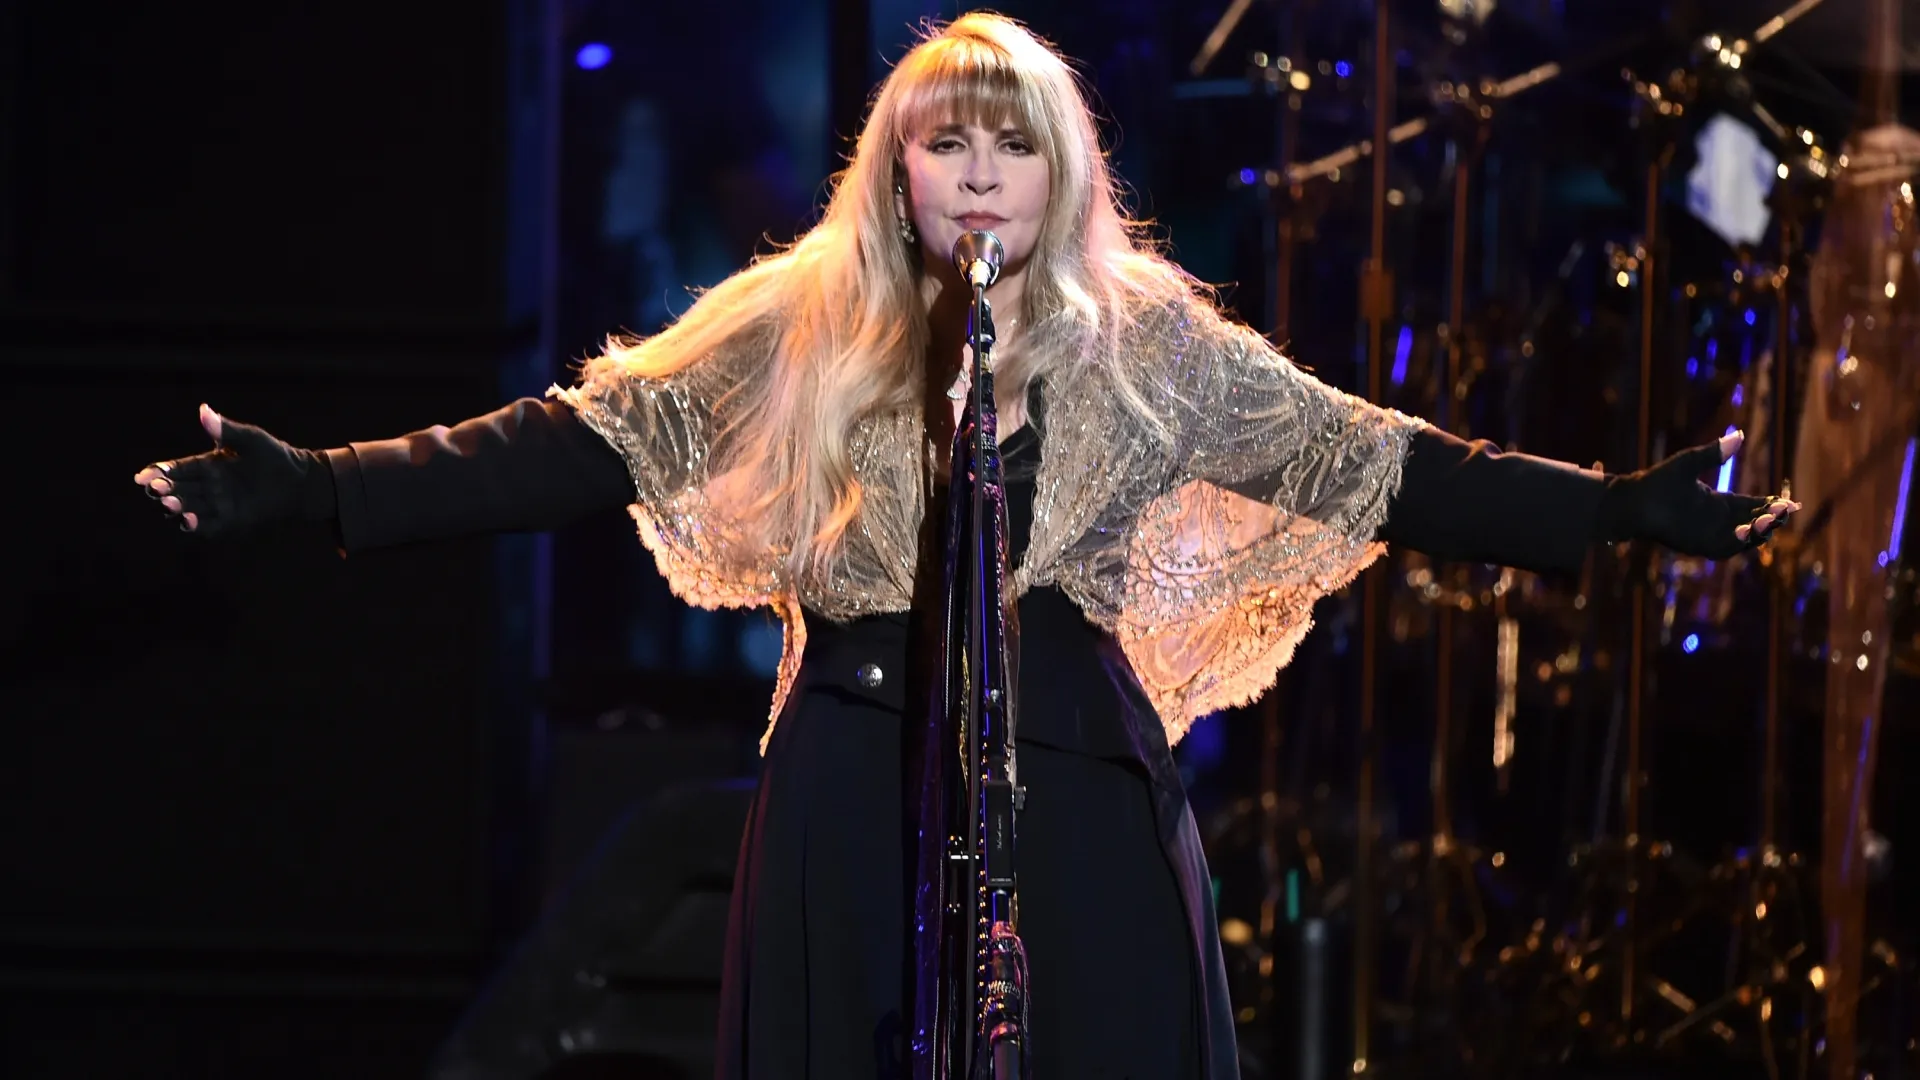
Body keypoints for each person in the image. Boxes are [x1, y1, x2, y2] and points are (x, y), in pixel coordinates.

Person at [133, 13, 1797, 1079]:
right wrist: (330, 486)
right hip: (855, 782)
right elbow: (582, 439)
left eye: (1014, 146)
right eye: (949, 144)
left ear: (1062, 167)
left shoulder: (1153, 340)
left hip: (1075, 792)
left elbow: (1380, 464)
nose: (980, 177)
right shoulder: (798, 323)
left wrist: (1616, 510)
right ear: (898, 169)